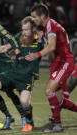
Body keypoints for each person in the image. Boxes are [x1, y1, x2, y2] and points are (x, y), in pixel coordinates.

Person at [0, 16, 45, 132]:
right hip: (13, 72)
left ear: (33, 29)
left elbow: (49, 48)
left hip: (27, 76)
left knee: (24, 102)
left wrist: (42, 39)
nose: (23, 32)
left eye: (26, 29)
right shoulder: (19, 37)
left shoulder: (41, 39)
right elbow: (5, 48)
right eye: (22, 29)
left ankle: (29, 122)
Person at [25, 4, 77, 133]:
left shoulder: (51, 25)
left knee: (49, 91)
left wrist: (37, 55)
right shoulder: (47, 28)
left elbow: (52, 47)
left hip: (65, 62)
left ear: (43, 16)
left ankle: (57, 126)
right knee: (60, 101)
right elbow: (51, 48)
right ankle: (56, 122)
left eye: (34, 17)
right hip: (58, 64)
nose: (33, 20)